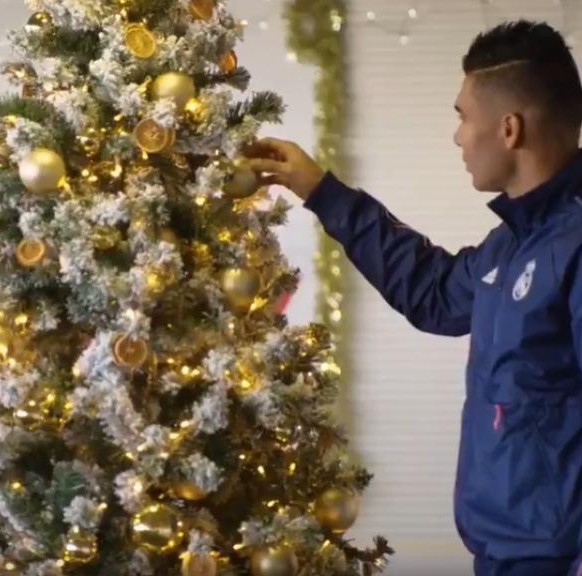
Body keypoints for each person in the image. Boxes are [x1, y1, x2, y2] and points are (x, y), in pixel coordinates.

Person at [249, 19, 582, 576]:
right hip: (499, 558)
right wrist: (319, 190)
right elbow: (433, 291)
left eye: (463, 117)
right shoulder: (510, 246)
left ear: (509, 129)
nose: (457, 136)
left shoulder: (574, 244)